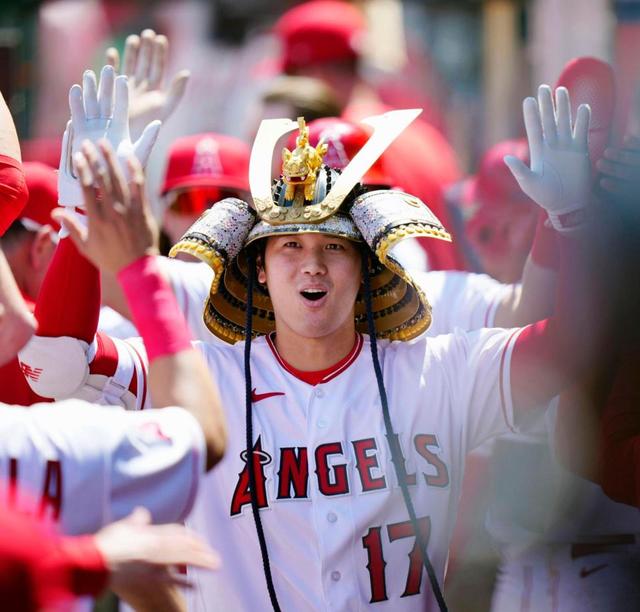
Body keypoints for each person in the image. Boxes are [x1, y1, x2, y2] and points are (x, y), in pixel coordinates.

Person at [25, 66, 605, 612]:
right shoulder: (203, 378)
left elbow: (574, 344)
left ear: (368, 265)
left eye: (333, 247)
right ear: (257, 267)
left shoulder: (440, 369)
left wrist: (573, 224)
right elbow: (54, 365)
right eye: (290, 247)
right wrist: (83, 209)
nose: (312, 267)